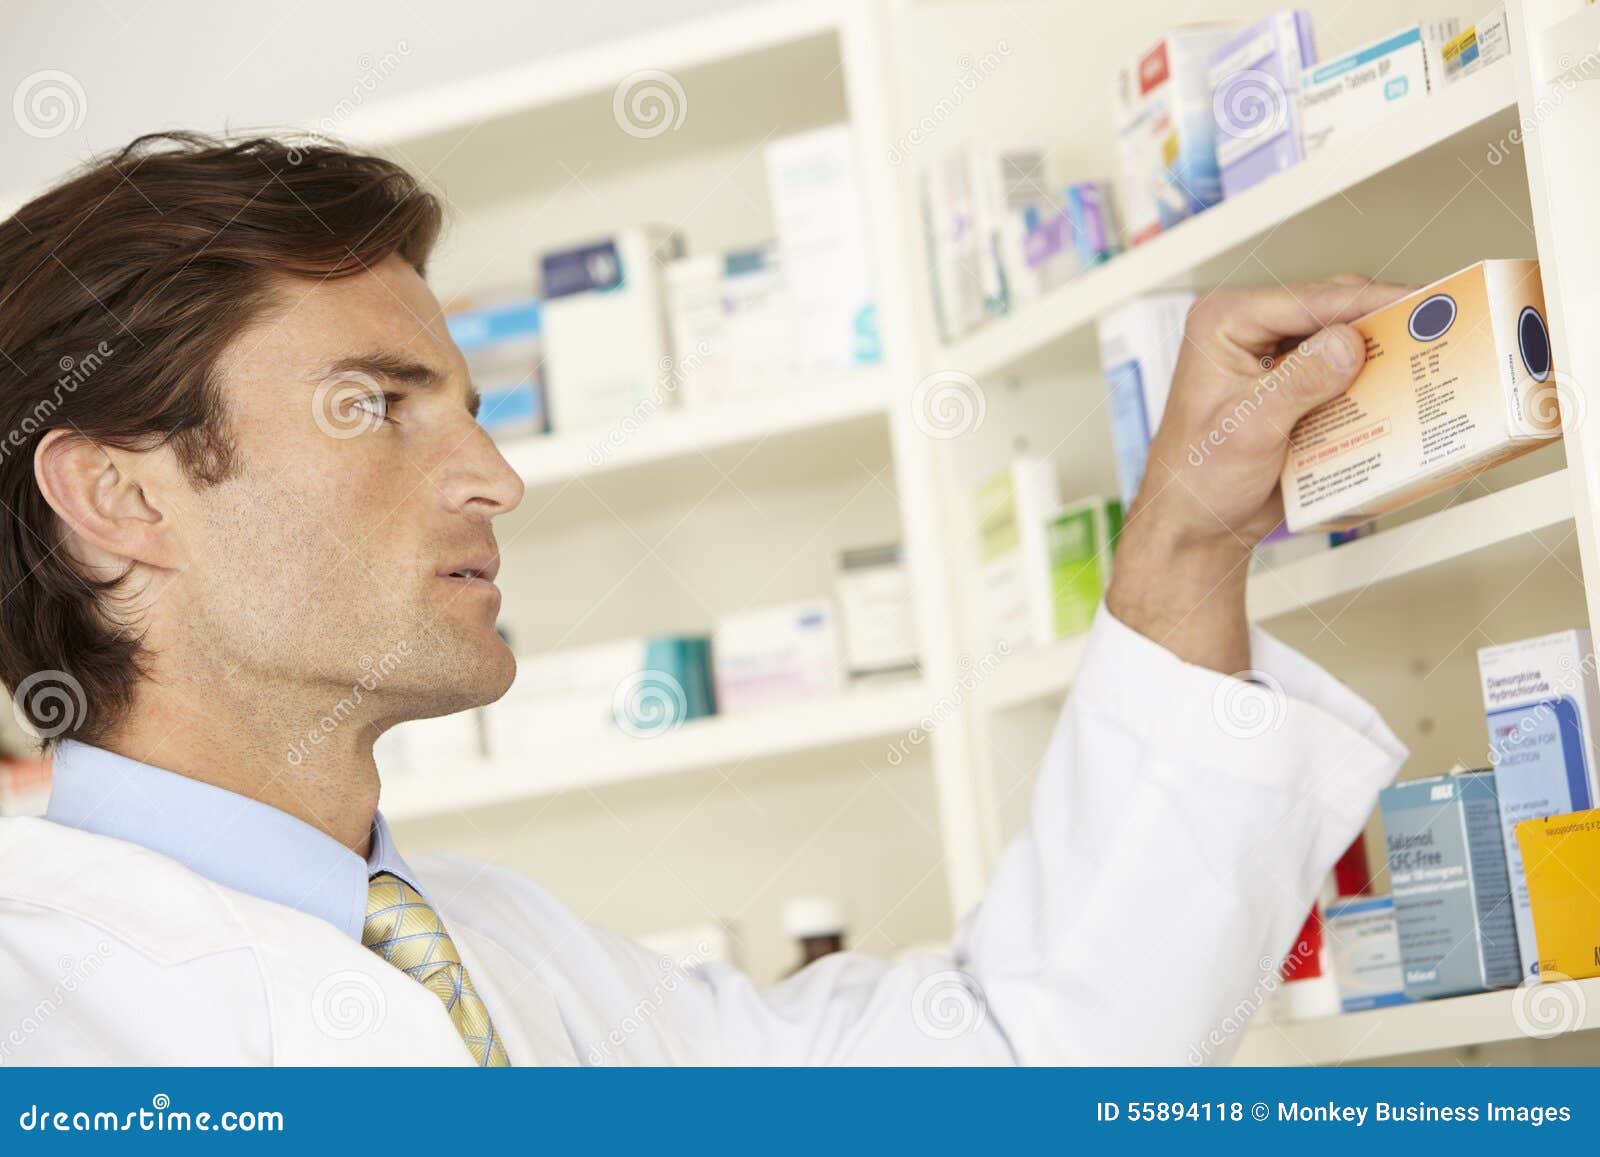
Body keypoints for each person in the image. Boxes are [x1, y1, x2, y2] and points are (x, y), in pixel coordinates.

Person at [0, 133, 1409, 1066]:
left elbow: (1013, 1067)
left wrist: (1184, 549)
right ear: (120, 497)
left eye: (474, 411)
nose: (494, 476)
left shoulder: (511, 955)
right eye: (377, 404)